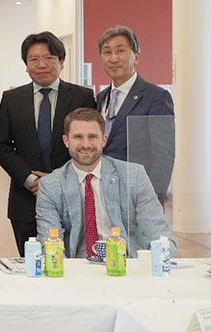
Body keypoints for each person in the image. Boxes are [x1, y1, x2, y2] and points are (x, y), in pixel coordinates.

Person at [0, 32, 96, 256]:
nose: (41, 65)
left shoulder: (82, 97)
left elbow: (88, 145)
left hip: (73, 195)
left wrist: (57, 180)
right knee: (32, 264)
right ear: (26, 65)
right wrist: (30, 180)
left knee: (75, 263)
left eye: (49, 58)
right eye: (33, 59)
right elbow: (0, 145)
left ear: (61, 61)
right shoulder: (12, 99)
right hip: (26, 198)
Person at [36, 108, 176, 258]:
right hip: (78, 270)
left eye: (92, 137)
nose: (86, 144)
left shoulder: (134, 175)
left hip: (126, 266)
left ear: (104, 139)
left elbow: (158, 231)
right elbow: (48, 243)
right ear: (66, 141)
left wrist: (162, 262)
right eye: (78, 137)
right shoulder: (50, 185)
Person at [96, 25, 175, 206]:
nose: (113, 58)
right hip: (103, 193)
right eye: (107, 52)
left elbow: (164, 154)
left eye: (120, 51)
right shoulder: (101, 98)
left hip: (138, 194)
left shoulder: (156, 97)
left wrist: (153, 198)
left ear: (136, 56)